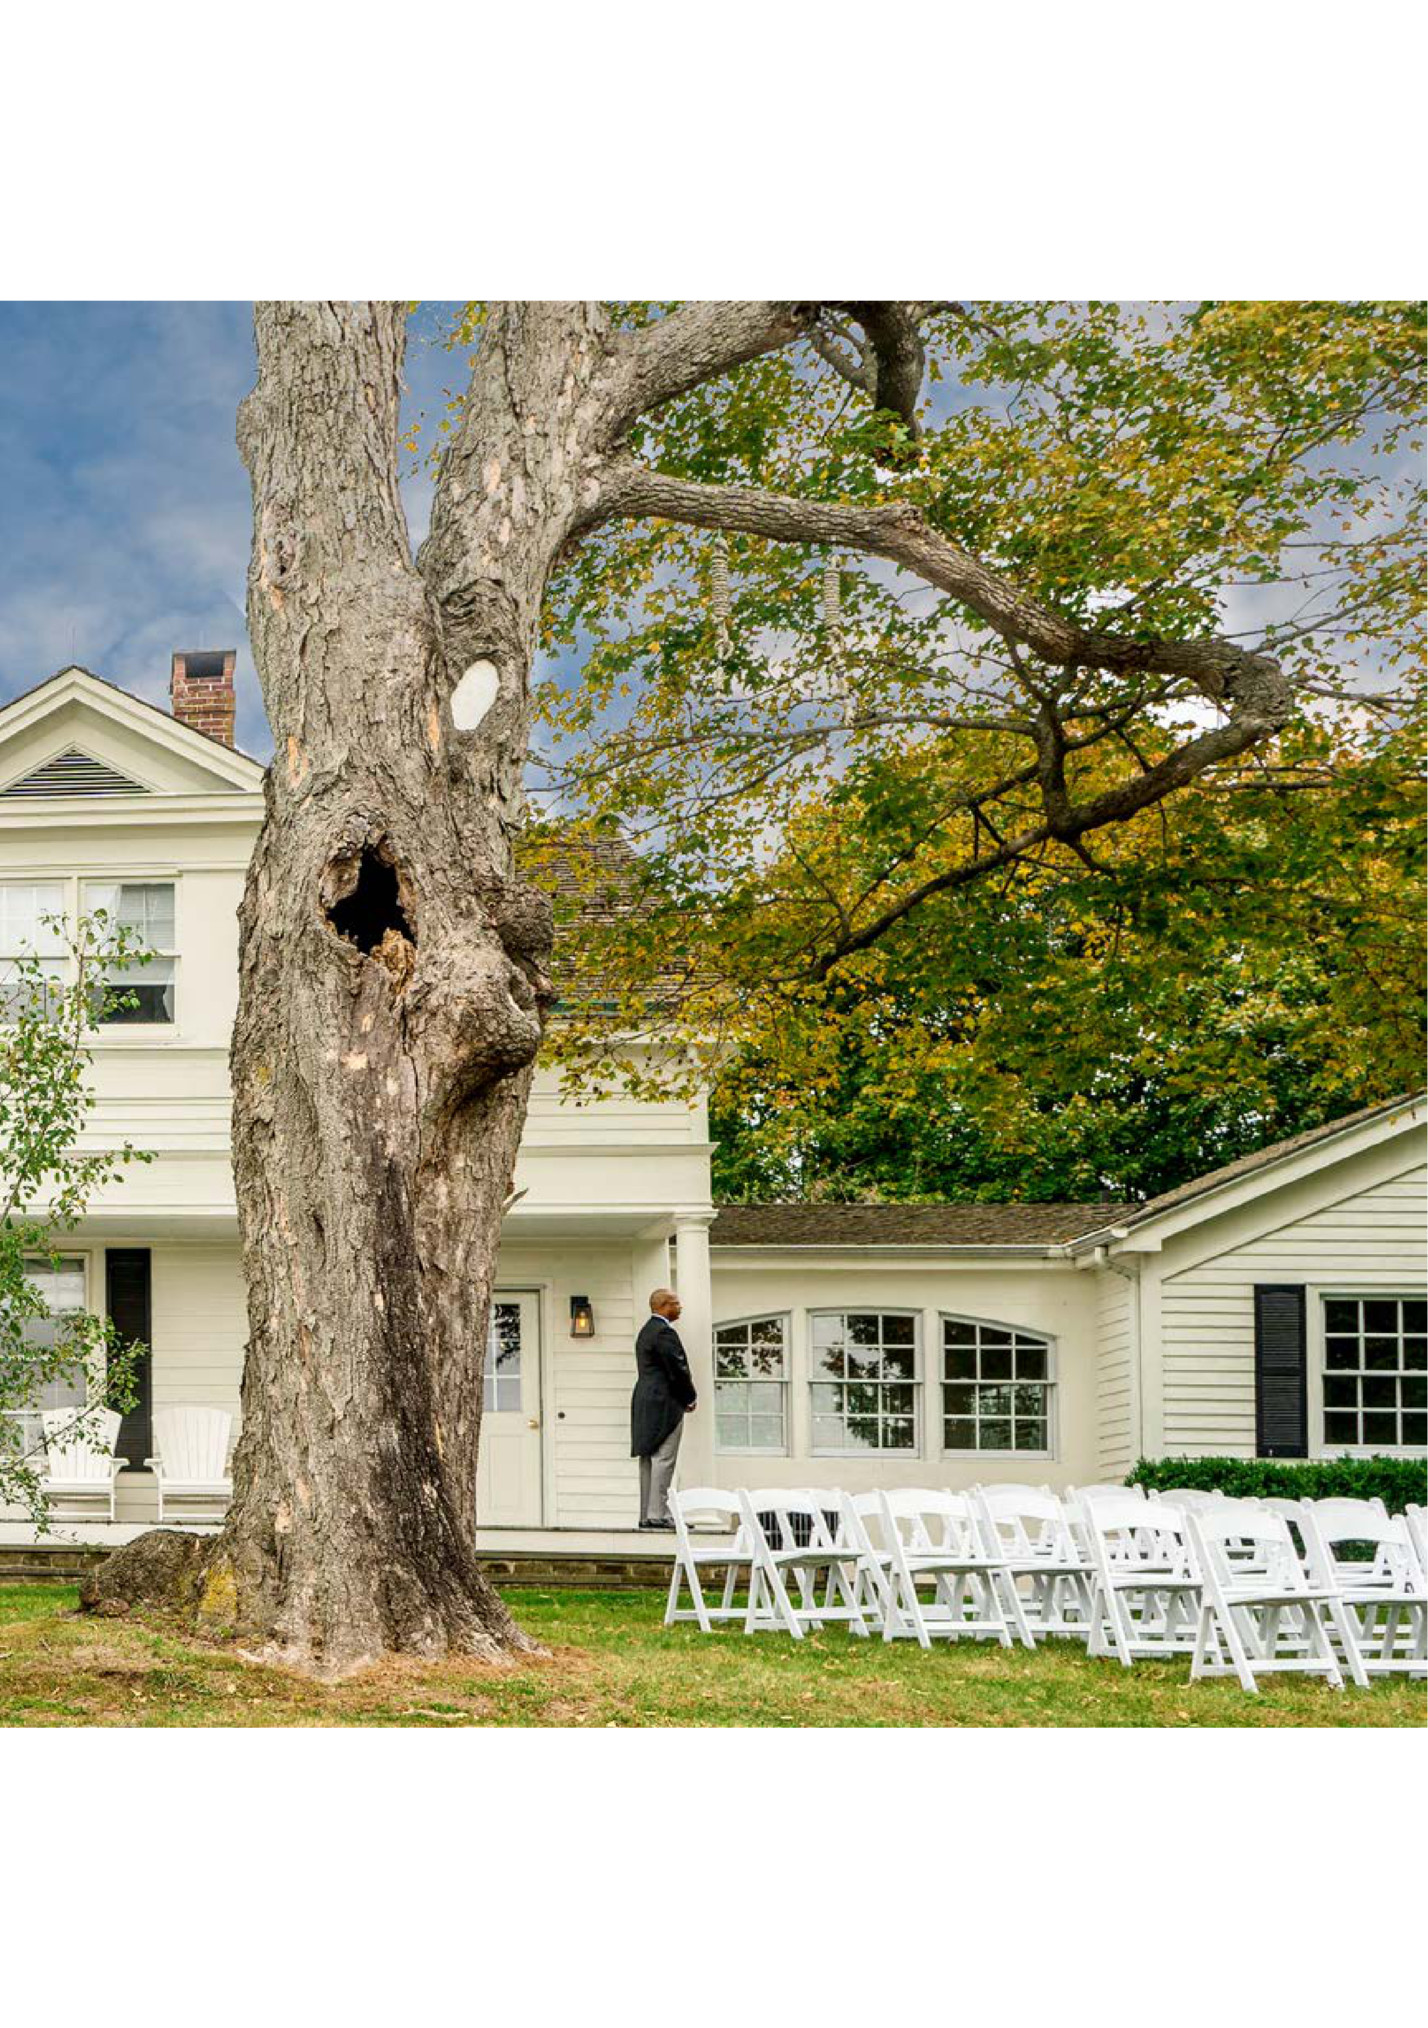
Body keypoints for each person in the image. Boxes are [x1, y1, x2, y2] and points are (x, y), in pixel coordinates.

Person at [631, 1287, 697, 1529]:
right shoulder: (664, 1333)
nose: (680, 1307)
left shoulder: (646, 1331)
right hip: (664, 1401)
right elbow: (677, 1369)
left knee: (648, 1457)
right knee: (664, 1457)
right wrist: (689, 1396)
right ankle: (658, 1514)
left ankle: (647, 1514)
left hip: (644, 1400)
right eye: (676, 1303)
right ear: (663, 1306)